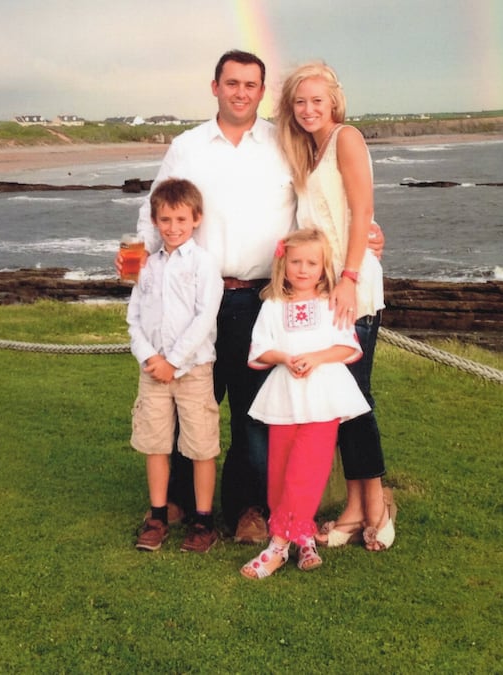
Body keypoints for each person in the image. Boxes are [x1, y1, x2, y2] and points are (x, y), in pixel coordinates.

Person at [118, 50, 383, 542]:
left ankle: (249, 511)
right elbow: (155, 209)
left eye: (251, 85)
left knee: (252, 411)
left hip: (258, 296)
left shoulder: (282, 144)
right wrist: (138, 262)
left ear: (262, 93)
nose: (241, 92)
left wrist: (365, 234)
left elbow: (321, 205)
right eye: (232, 82)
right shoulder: (188, 146)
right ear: (214, 86)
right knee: (188, 396)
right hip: (195, 293)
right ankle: (175, 502)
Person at [275, 61, 396, 552]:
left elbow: (362, 209)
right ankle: (357, 505)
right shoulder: (307, 148)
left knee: (356, 400)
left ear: (334, 103)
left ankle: (377, 504)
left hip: (353, 288)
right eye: (300, 101)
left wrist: (348, 277)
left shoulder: (346, 138)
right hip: (325, 291)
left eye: (316, 101)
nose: (308, 109)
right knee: (342, 404)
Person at [240, 229, 370, 579]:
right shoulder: (272, 306)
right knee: (282, 470)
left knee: (307, 470)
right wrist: (284, 357)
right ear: (283, 264)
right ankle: (304, 535)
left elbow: (347, 346)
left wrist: (315, 357)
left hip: (324, 398)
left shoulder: (332, 302)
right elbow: (260, 349)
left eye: (311, 263)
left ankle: (277, 546)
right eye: (295, 262)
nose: (303, 269)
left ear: (323, 266)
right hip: (285, 396)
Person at [127, 178, 224, 553]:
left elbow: (204, 318)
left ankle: (203, 521)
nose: (173, 227)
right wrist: (150, 357)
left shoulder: (203, 264)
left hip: (193, 369)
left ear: (196, 219)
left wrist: (174, 361)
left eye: (181, 219)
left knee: (201, 446)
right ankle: (157, 515)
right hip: (153, 371)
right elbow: (134, 317)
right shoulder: (147, 266)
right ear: (155, 221)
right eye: (165, 220)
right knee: (156, 444)